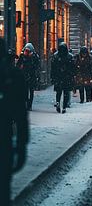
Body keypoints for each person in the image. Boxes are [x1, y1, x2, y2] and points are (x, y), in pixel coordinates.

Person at [0, 38, 29, 206]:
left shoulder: (13, 75)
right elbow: (20, 114)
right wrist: (21, 144)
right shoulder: (13, 75)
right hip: (4, 139)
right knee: (3, 189)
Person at [51, 43, 75, 113]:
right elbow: (73, 68)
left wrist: (53, 77)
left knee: (59, 92)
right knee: (65, 93)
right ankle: (64, 106)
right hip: (65, 77)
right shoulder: (69, 56)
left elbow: (53, 68)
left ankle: (59, 103)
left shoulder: (56, 56)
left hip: (59, 77)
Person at [16, 42, 40, 111]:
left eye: (28, 51)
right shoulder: (22, 55)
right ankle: (27, 103)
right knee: (25, 91)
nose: (27, 52)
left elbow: (37, 66)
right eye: (26, 50)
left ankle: (29, 105)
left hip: (31, 76)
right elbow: (18, 64)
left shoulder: (34, 56)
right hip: (25, 75)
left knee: (31, 91)